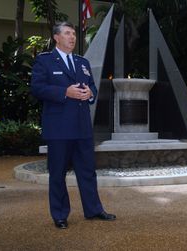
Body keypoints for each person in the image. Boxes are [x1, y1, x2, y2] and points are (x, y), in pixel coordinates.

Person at [31, 22, 115, 229]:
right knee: (57, 172)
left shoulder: (82, 62)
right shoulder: (45, 61)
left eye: (74, 34)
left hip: (82, 127)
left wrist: (90, 94)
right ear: (56, 38)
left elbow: (92, 86)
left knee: (87, 171)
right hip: (59, 128)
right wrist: (63, 92)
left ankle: (93, 209)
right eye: (67, 33)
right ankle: (60, 214)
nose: (72, 37)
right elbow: (37, 88)